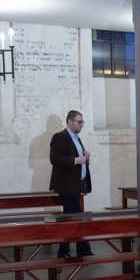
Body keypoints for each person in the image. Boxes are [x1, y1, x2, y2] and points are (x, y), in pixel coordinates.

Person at [50, 110, 93, 257]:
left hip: (77, 184)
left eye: (82, 122)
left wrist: (85, 157)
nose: (82, 125)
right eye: (79, 122)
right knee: (75, 218)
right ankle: (83, 250)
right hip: (67, 185)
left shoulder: (76, 138)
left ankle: (64, 252)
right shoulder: (60, 137)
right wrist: (76, 160)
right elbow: (54, 158)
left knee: (70, 219)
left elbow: (78, 158)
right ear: (70, 122)